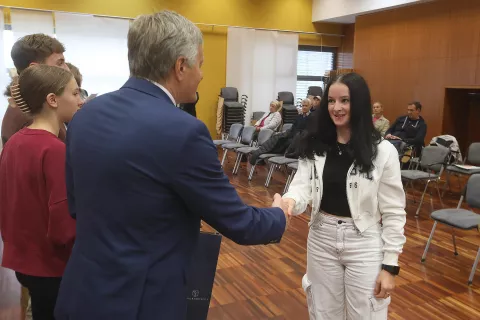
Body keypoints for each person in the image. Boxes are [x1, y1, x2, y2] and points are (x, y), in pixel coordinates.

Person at [54, 11, 289, 320]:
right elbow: (239, 222)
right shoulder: (183, 130)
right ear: (180, 66)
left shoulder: (85, 115)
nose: (202, 74)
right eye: (201, 64)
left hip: (81, 292)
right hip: (141, 303)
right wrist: (279, 215)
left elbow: (76, 206)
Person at [282, 73, 406, 319]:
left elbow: (393, 211)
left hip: (364, 241)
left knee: (365, 313)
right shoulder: (316, 143)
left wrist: (390, 266)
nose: (336, 108)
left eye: (345, 101)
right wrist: (289, 201)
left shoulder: (382, 151)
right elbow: (302, 185)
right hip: (321, 237)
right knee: (324, 312)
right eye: (331, 101)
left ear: (359, 103)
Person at [0, 65, 82, 319]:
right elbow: (63, 224)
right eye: (75, 93)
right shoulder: (54, 150)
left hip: (23, 259)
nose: (80, 101)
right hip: (51, 264)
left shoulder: (15, 142)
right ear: (53, 99)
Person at [1, 34, 69, 146]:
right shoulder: (31, 113)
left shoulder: (34, 104)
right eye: (60, 63)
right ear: (34, 69)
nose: (67, 69)